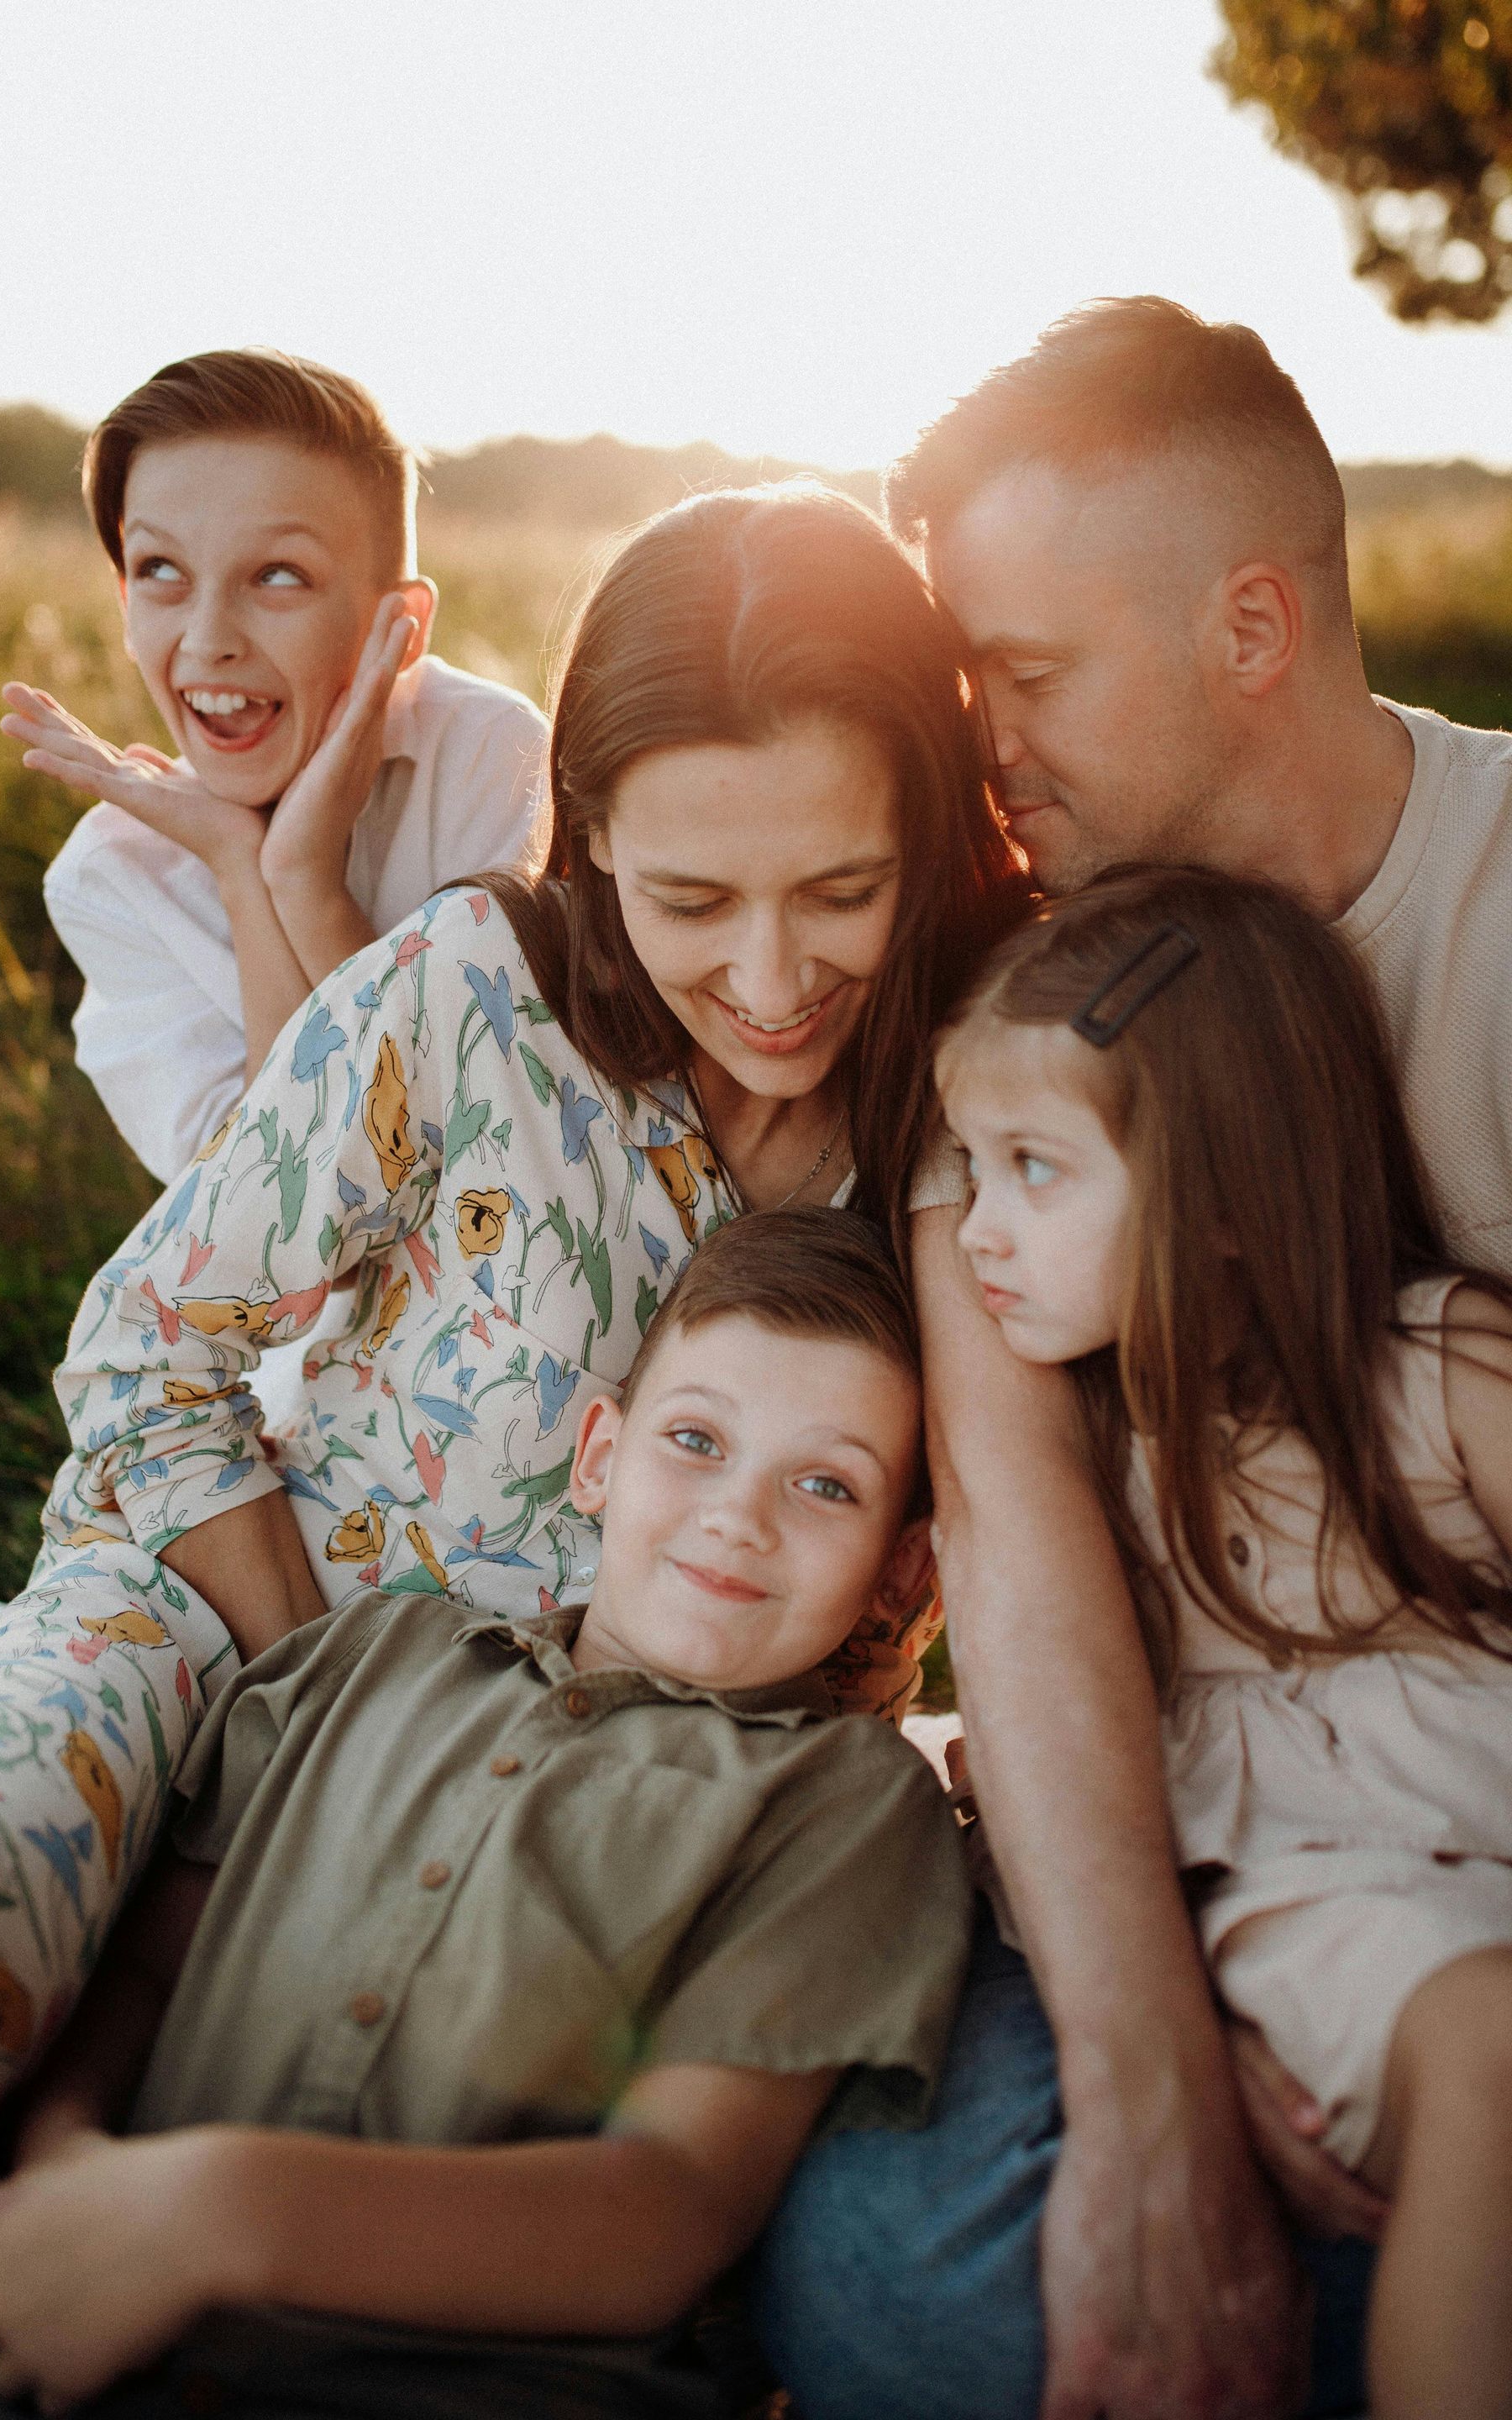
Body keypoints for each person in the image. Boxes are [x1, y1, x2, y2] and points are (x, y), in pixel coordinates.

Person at [0, 483, 1021, 2260]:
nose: (772, 972)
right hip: (239, 1641)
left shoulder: (992, 1107)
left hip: (665, 1826)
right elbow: (146, 1351)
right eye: (691, 897)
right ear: (589, 839)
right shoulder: (469, 994)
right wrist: (325, 1715)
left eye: (844, 890)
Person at [761, 297, 1505, 2419]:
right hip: (1195, 1842)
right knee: (902, 2276)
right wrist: (1167, 2069)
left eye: (1033, 670)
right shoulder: (1019, 1006)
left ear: (1249, 627)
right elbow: (1016, 1550)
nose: (986, 741)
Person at [0, 1212, 972, 2420]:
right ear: (598, 1458)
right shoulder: (369, 1652)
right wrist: (63, 2173)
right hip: (65, 2303)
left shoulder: (843, 1805)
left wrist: (220, 2213)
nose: (740, 1514)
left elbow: (670, 2205)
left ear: (902, 1570)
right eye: (696, 1439)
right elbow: (145, 1966)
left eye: (826, 1483)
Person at [932, 865, 1512, 2420]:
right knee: (1493, 2061)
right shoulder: (1105, 1469)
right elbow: (1049, 1766)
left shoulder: (1443, 1367)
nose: (977, 1230)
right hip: (1332, 1903)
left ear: (1232, 1199)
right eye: (970, 1169)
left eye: (1033, 1171)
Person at [7, 348, 546, 1183]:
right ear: (123, 602)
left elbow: (474, 1142)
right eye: (160, 571)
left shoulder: (490, 758)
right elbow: (268, 1221)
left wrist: (302, 879)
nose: (208, 638)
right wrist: (238, 868)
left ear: (396, 625)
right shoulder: (112, 876)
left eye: (278, 576)